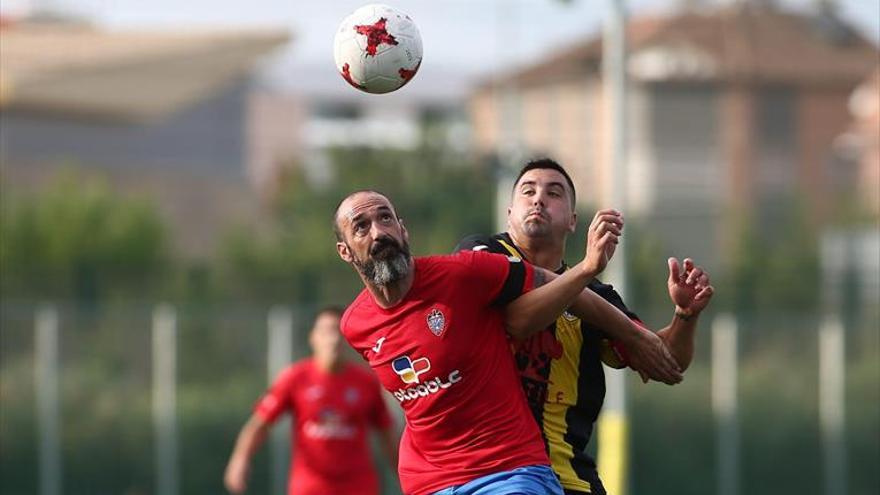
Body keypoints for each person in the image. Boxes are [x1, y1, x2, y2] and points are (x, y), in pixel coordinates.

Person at [333, 189, 645, 495]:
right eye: (361, 226)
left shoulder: (463, 273)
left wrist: (635, 333)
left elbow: (556, 283)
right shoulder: (354, 325)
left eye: (385, 218)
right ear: (344, 251)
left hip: (507, 471)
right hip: (428, 482)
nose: (378, 232)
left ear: (402, 229)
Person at [456, 158, 715, 495]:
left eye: (554, 193)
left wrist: (685, 315)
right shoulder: (480, 252)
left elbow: (668, 361)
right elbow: (517, 320)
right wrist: (587, 270)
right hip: (490, 474)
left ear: (573, 221)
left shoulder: (597, 295)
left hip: (568, 478)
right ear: (509, 213)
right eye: (528, 191)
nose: (539, 199)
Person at [223, 306, 397, 495]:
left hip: (358, 486)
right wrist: (240, 458)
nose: (333, 339)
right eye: (327, 331)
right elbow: (260, 423)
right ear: (313, 337)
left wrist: (404, 475)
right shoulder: (295, 378)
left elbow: (387, 434)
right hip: (309, 485)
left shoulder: (366, 382)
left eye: (339, 332)